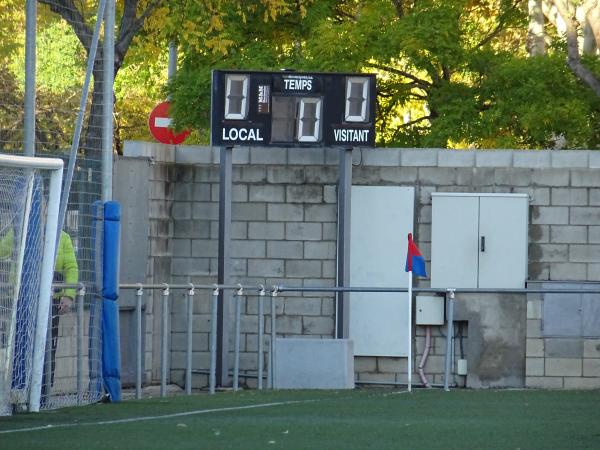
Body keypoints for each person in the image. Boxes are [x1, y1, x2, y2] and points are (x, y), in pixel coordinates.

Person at [50, 230, 78, 386]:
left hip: (51, 301)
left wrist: (68, 294)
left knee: (49, 347)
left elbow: (71, 267)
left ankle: (43, 392)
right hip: (22, 301)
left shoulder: (62, 236)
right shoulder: (20, 230)